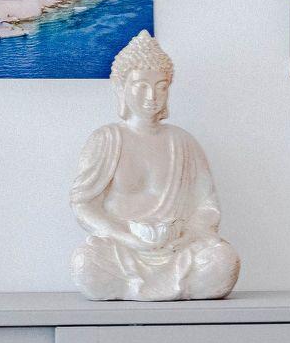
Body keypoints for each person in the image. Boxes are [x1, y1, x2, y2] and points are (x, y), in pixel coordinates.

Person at [71, 31, 240, 301]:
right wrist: (126, 237)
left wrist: (187, 236)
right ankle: (134, 284)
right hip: (124, 249)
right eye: (141, 86)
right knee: (86, 264)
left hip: (178, 250)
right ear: (122, 89)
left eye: (161, 87)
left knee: (224, 261)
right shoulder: (107, 140)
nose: (152, 96)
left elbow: (207, 207)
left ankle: (173, 283)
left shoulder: (183, 142)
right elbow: (83, 205)